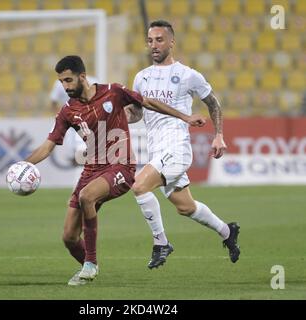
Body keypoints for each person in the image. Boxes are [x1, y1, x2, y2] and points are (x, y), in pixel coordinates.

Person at [25, 55, 206, 285]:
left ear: (83, 76)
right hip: (92, 170)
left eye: (69, 80)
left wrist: (185, 117)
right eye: (62, 82)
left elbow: (148, 102)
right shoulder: (68, 111)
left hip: (121, 166)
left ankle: (90, 264)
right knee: (69, 237)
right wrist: (25, 164)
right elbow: (48, 145)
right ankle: (89, 269)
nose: (66, 86)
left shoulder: (113, 92)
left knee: (86, 196)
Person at [125, 20, 240, 269]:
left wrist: (218, 134)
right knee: (185, 207)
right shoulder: (141, 77)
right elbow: (136, 113)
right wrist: (118, 116)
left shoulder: (188, 75)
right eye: (150, 40)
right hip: (158, 150)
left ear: (171, 42)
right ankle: (227, 232)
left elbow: (213, 103)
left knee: (139, 186)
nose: (153, 45)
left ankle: (161, 243)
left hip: (176, 149)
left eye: (159, 39)